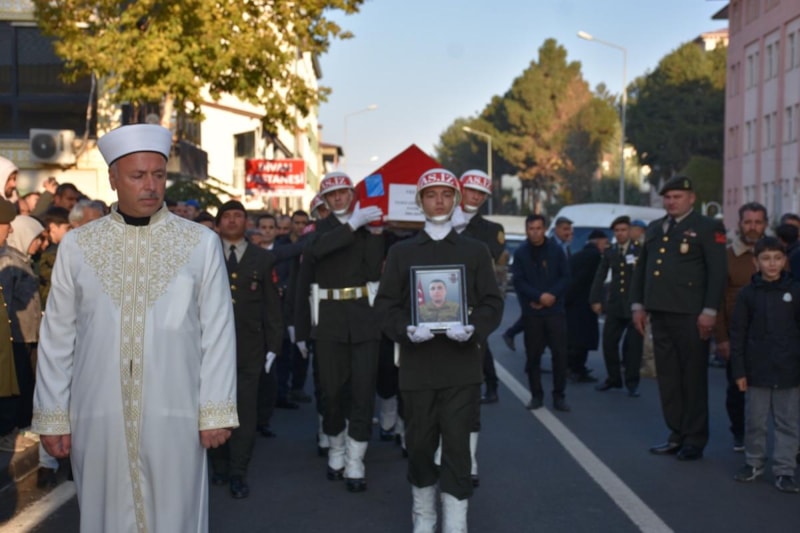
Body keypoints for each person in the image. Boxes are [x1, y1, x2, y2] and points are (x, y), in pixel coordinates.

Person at [32, 124, 238, 532]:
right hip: (98, 413)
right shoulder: (78, 246)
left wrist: (215, 409)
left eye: (158, 175)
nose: (151, 186)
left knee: (176, 515)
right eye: (138, 176)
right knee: (105, 514)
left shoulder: (200, 243)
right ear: (113, 179)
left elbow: (217, 331)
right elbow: (58, 336)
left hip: (175, 411)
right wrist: (53, 416)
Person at [376, 168, 503, 532]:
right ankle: (424, 515)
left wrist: (473, 327)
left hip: (461, 366)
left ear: (456, 200)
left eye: (446, 195)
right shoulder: (401, 252)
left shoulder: (475, 251)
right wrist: (406, 329)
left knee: (458, 447)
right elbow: (385, 305)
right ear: (420, 201)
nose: (439, 201)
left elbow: (492, 302)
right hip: (417, 366)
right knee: (418, 445)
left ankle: (456, 522)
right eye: (431, 195)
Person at [294, 171, 384, 492]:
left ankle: (356, 457)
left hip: (363, 318)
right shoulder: (317, 231)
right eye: (332, 195)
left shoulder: (367, 230)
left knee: (363, 391)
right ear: (325, 200)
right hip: (329, 319)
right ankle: (336, 446)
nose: (338, 198)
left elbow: (374, 271)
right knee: (331, 391)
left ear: (352, 195)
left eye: (343, 192)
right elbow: (313, 261)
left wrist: (376, 233)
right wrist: (300, 330)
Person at [631, 175, 727, 461]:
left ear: (691, 198)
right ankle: (676, 433)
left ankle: (694, 439)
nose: (672, 202)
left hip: (690, 314)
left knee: (692, 378)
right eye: (668, 197)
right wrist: (638, 305)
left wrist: (709, 312)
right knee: (669, 378)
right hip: (660, 312)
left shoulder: (708, 227)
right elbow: (643, 269)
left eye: (678, 197)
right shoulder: (655, 228)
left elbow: (717, 273)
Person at [209, 201, 282, 499]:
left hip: (249, 348)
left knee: (244, 412)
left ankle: (238, 472)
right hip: (210, 348)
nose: (232, 220)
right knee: (213, 408)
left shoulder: (262, 259)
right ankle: (219, 466)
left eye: (238, 216)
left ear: (246, 222)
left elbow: (271, 306)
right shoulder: (205, 254)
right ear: (218, 223)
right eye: (226, 216)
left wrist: (274, 345)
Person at [730, 237, 800, 493]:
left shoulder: (796, 291)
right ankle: (754, 462)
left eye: (777, 258)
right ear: (755, 262)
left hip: (789, 369)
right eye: (766, 259)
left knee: (788, 423)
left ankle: (785, 470)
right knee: (755, 421)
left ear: (785, 261)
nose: (772, 264)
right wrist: (739, 371)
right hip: (756, 370)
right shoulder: (747, 294)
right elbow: (738, 334)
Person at [714, 202, 767, 452]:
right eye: (748, 222)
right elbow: (717, 300)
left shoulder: (776, 255)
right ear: (739, 224)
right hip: (738, 337)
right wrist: (722, 338)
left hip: (771, 337)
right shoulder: (726, 257)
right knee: (737, 389)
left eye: (758, 222)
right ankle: (739, 432)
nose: (753, 227)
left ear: (765, 225)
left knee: (774, 393)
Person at [456, 169, 508, 406]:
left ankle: (486, 388)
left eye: (481, 193)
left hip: (474, 301)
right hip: (443, 297)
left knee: (477, 348)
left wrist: (460, 228)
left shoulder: (492, 229)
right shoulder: (443, 220)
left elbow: (486, 255)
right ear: (461, 190)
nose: (476, 197)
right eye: (471, 191)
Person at [512, 214, 572, 412]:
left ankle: (559, 396)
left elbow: (566, 277)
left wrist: (551, 296)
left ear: (544, 229)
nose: (535, 232)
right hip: (532, 313)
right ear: (526, 230)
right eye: (531, 229)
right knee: (533, 356)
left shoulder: (555, 250)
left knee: (559, 355)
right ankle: (536, 396)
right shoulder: (521, 253)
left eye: (538, 228)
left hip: (555, 311)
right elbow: (518, 281)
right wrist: (538, 297)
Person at [591, 216, 644, 397]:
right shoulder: (611, 251)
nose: (620, 234)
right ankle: (613, 378)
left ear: (630, 231)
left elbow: (646, 277)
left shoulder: (639, 250)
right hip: (615, 304)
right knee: (608, 342)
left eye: (623, 230)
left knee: (634, 347)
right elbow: (600, 275)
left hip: (634, 305)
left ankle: (632, 382)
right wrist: (595, 299)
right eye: (617, 231)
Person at [565, 229, 609, 383]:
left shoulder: (579, 255)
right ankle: (577, 369)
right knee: (582, 339)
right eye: (605, 243)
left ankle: (572, 367)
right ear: (598, 241)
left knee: (574, 336)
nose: (606, 246)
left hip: (572, 302)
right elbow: (589, 280)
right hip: (584, 302)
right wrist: (597, 299)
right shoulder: (594, 257)